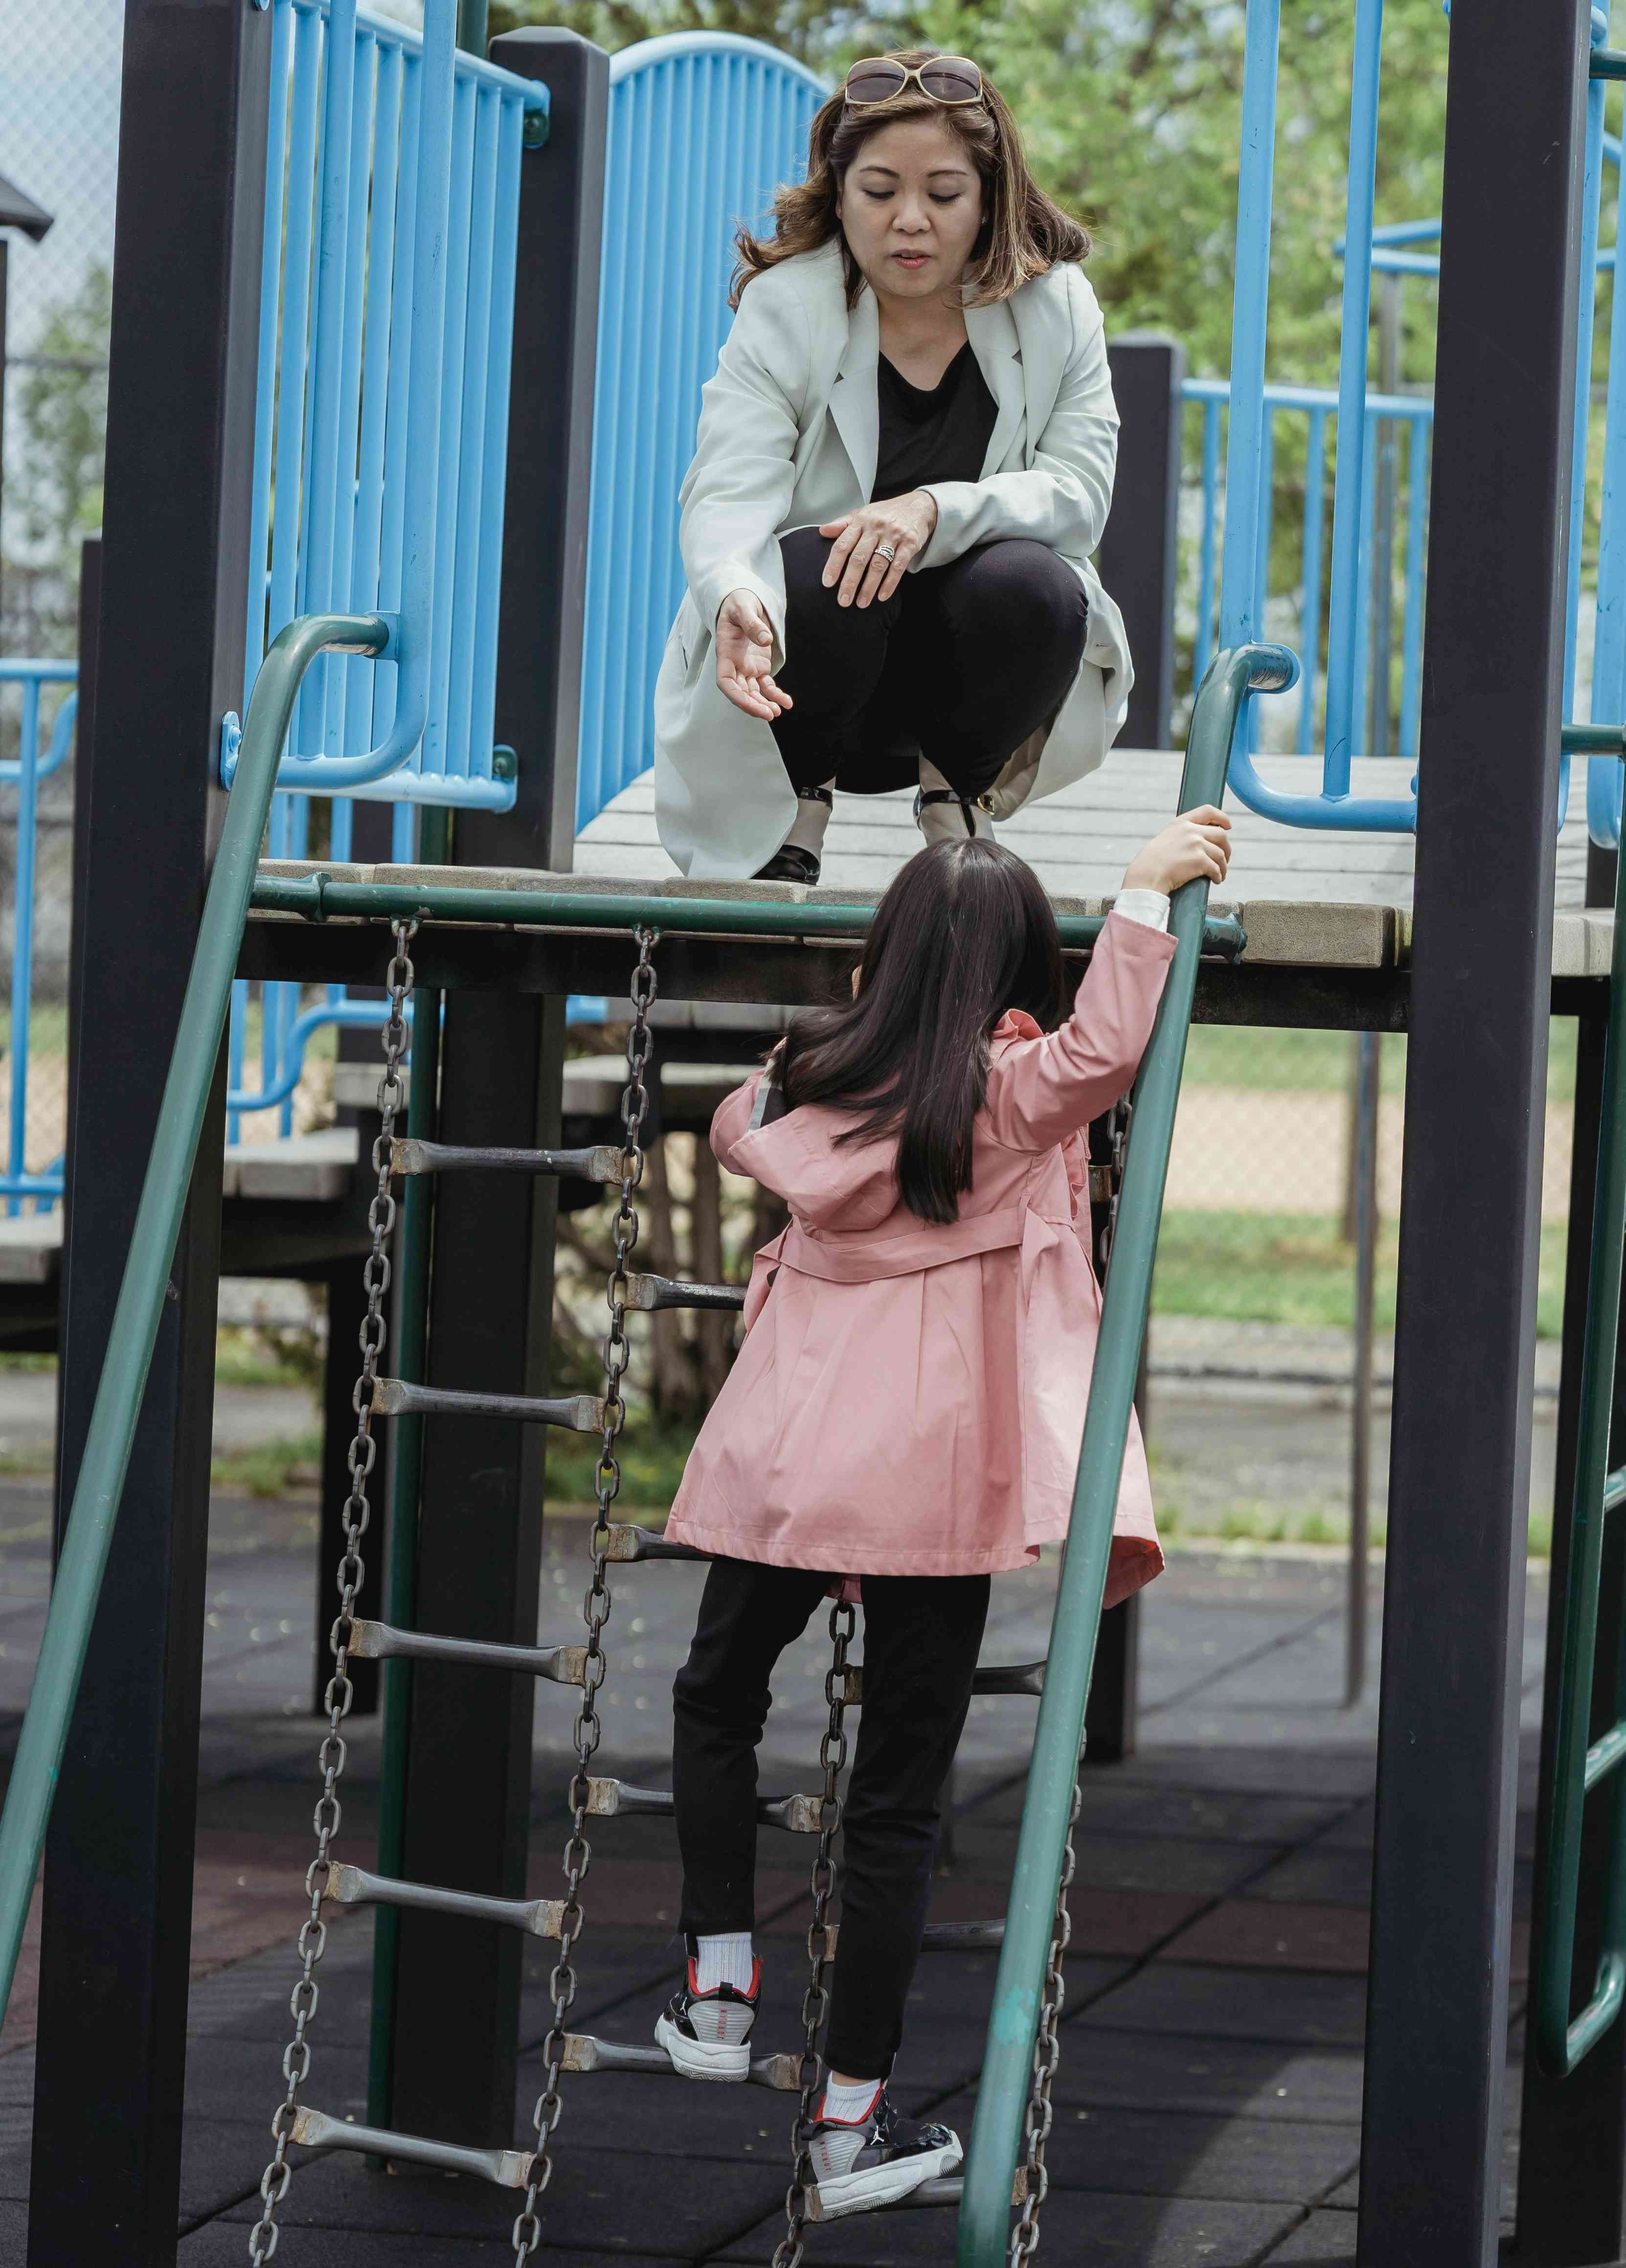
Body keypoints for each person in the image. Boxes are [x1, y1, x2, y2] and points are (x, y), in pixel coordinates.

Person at [651, 805, 1232, 2216]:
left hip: (787, 1459)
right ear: (1019, 963)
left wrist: (831, 1040)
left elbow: (737, 1122)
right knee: (896, 1806)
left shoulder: (802, 1083)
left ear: (887, 959)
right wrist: (1142, 893)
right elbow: (1100, 1051)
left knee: (715, 1692)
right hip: (930, 1477)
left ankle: (720, 1983)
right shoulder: (1009, 1092)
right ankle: (851, 2118)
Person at [653, 49, 1133, 884]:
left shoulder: (1056, 306)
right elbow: (729, 485)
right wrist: (734, 590)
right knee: (822, 562)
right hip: (805, 688)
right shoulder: (787, 305)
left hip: (965, 691)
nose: (910, 219)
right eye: (879, 192)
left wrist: (932, 512)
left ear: (989, 200)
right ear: (839, 195)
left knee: (1041, 582)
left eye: (944, 195)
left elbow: (1081, 496)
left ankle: (957, 806)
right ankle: (798, 815)